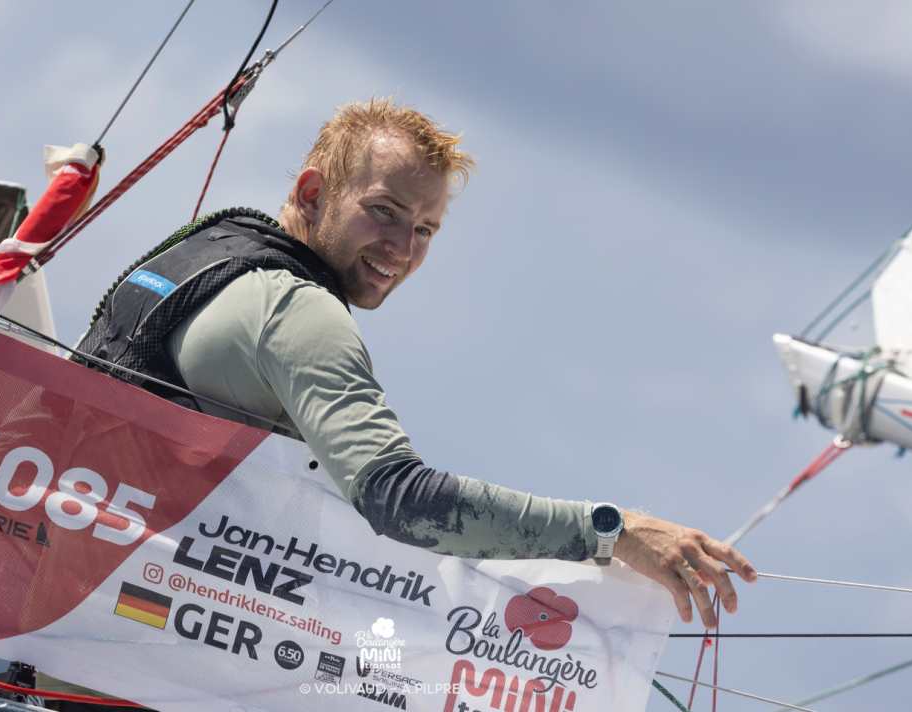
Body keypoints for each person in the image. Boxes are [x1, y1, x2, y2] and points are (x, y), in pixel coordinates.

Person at [79, 97, 755, 640]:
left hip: (57, 607)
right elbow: (400, 500)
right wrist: (611, 532)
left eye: (426, 230)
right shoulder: (297, 311)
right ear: (313, 193)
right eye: (384, 213)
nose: (401, 249)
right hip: (116, 635)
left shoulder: (204, 254)